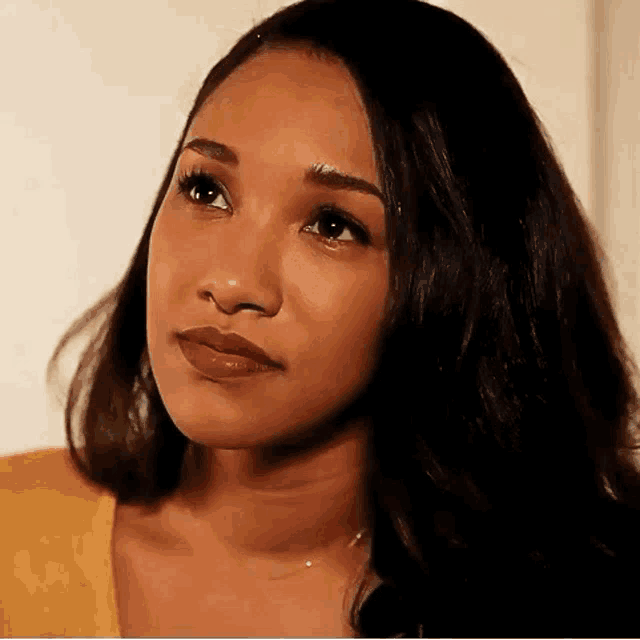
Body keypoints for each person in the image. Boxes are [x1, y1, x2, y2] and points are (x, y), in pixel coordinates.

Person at [2, 0, 640, 637]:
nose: (229, 283)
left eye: (333, 225)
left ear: (459, 279)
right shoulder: (13, 537)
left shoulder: (577, 604)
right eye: (206, 190)